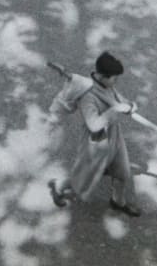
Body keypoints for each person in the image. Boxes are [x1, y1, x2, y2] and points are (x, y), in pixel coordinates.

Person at [47, 51, 141, 217]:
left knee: (122, 173)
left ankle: (118, 202)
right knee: (82, 176)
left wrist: (129, 105)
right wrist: (115, 110)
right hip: (97, 142)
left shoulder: (105, 84)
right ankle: (58, 188)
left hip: (114, 136)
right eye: (114, 78)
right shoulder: (87, 97)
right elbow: (94, 125)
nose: (116, 81)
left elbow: (117, 97)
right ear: (103, 76)